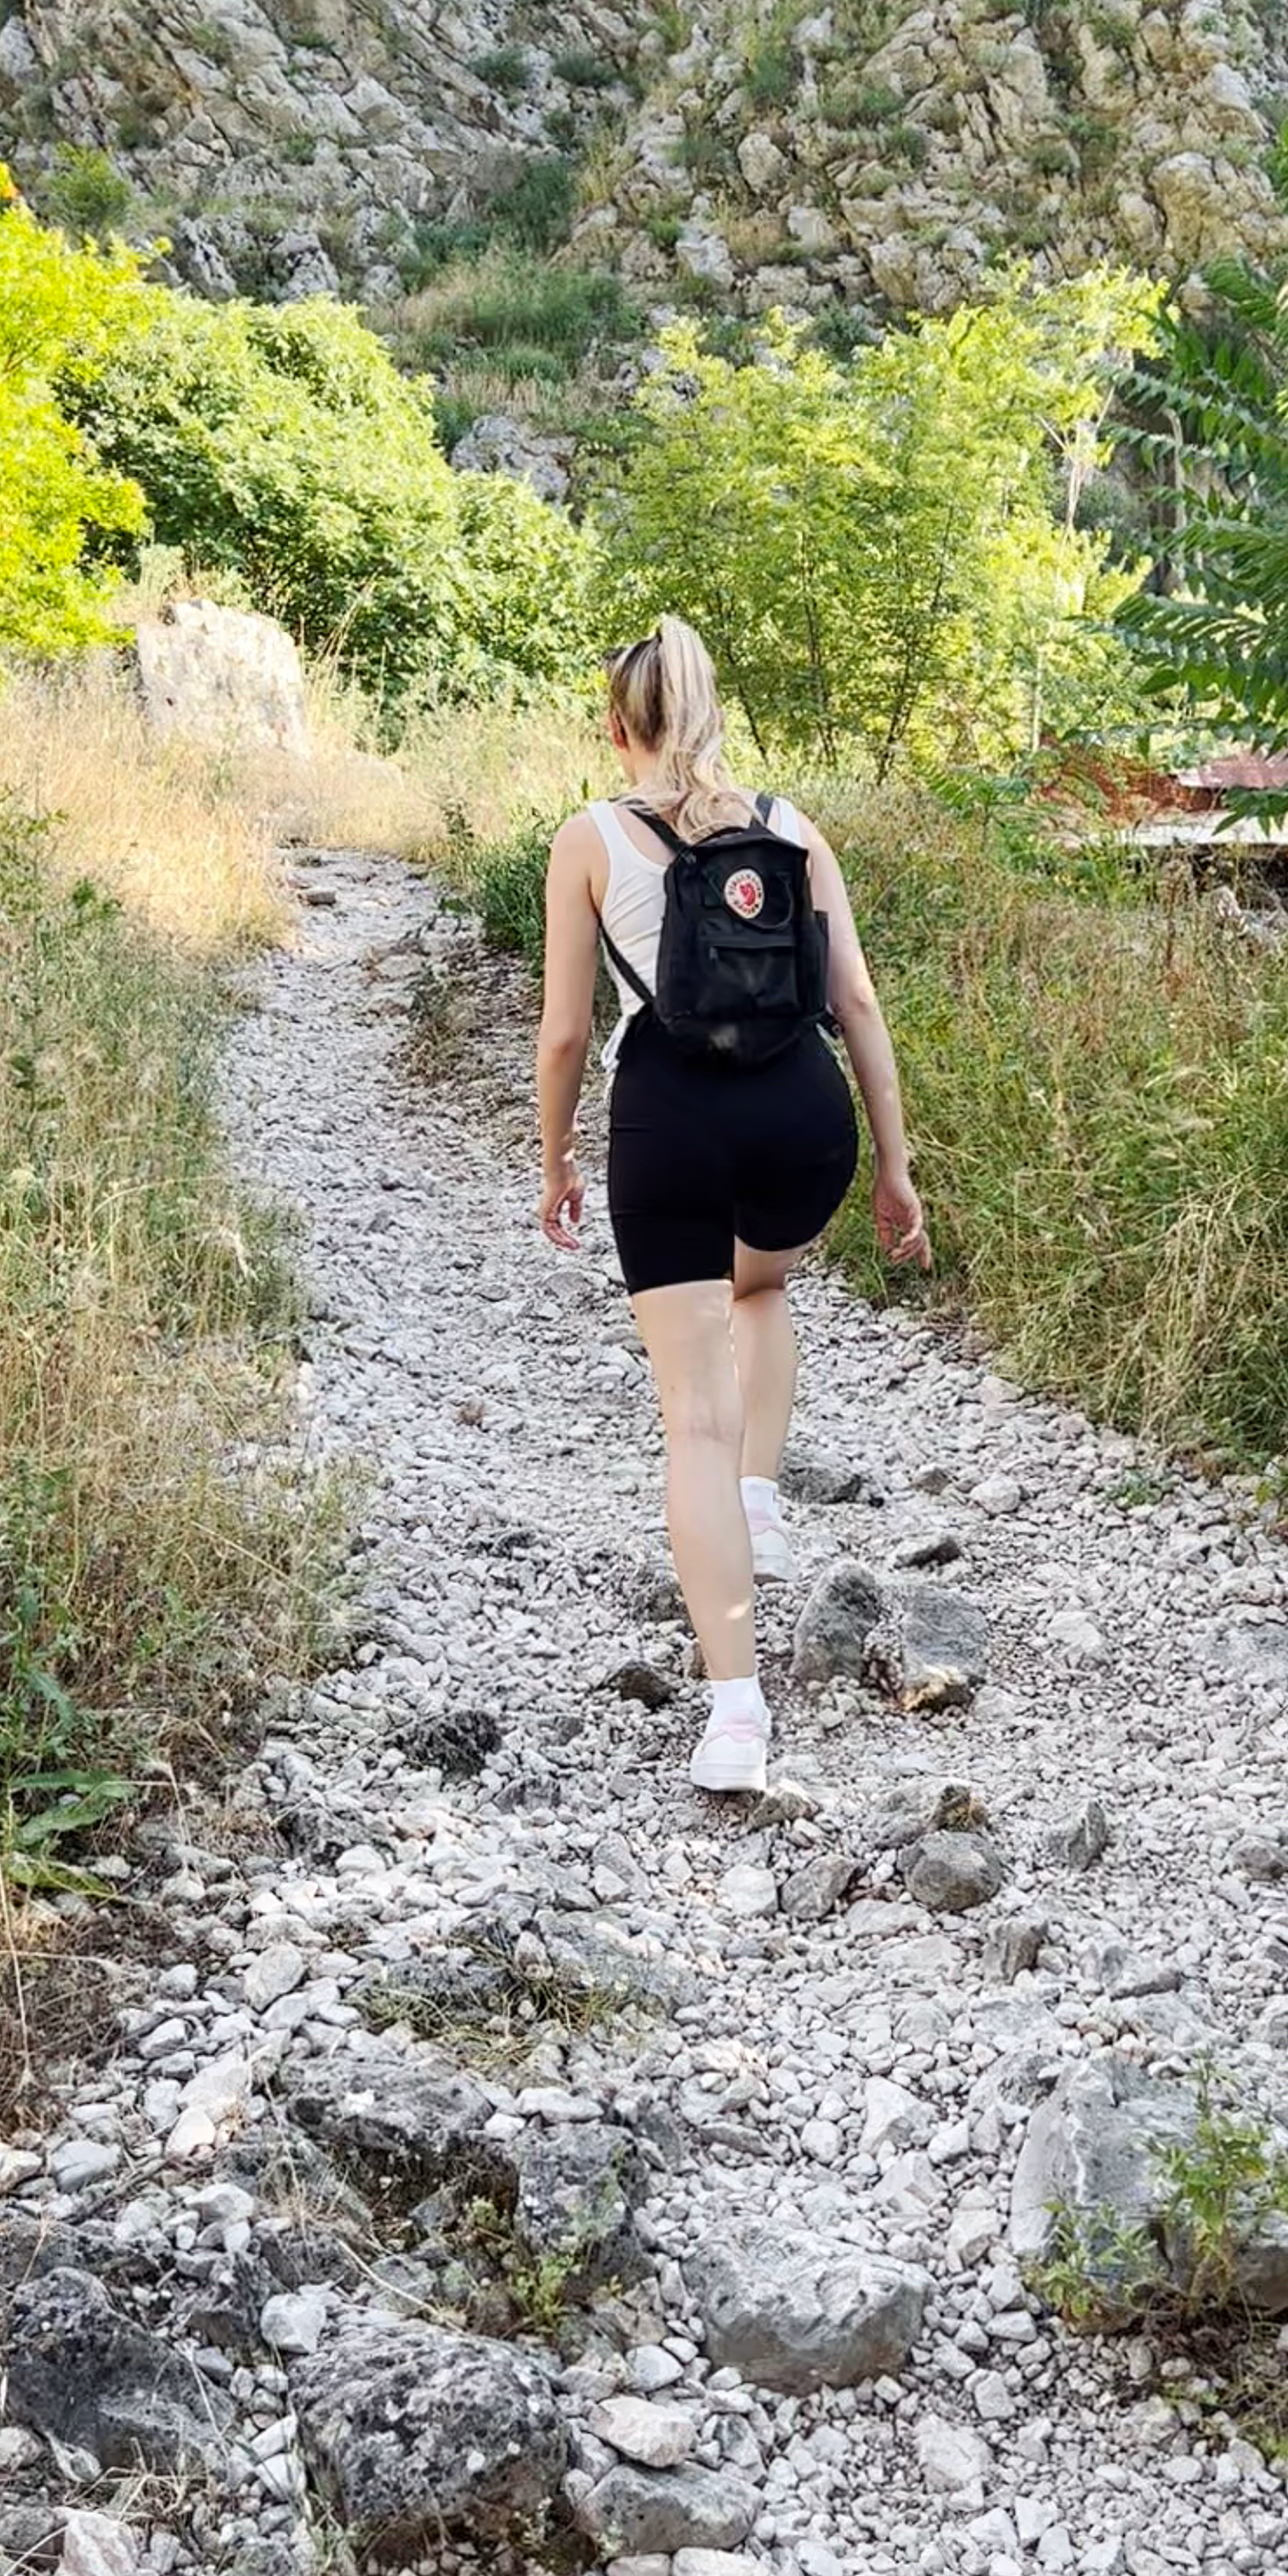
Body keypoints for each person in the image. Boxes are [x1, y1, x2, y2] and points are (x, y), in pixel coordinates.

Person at [535, 615, 931, 1794]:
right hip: (804, 1116)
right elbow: (856, 1002)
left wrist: (553, 1156)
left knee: (688, 1421)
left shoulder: (591, 837)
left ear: (619, 725)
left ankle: (737, 1715)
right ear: (716, 719)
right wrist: (896, 1168)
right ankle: (761, 1496)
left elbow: (564, 1034)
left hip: (670, 1123)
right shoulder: (793, 827)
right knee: (763, 1282)